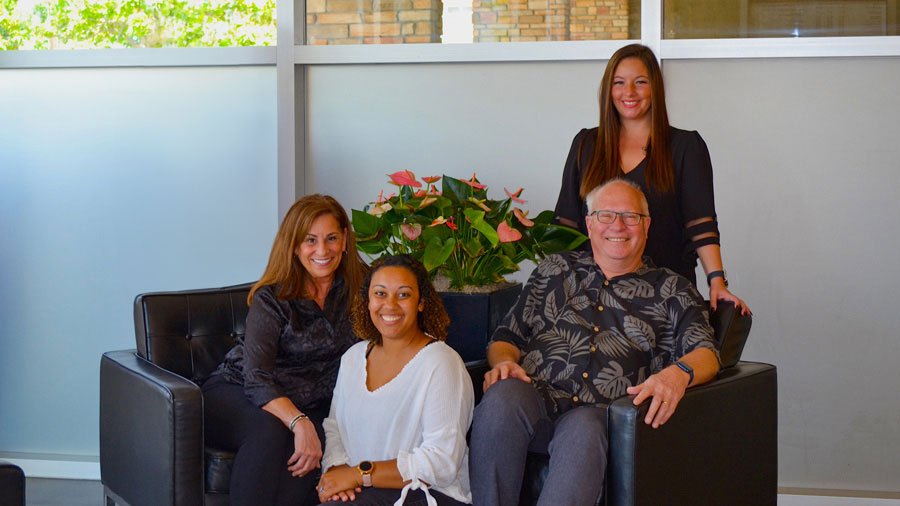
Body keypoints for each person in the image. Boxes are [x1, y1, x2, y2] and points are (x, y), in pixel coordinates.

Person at [469, 179, 721, 506]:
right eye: (605, 215)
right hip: (534, 401)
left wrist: (676, 375)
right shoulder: (554, 270)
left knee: (584, 429)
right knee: (502, 397)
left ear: (647, 226)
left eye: (630, 216)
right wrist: (504, 362)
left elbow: (707, 354)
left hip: (601, 419)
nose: (617, 225)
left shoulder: (672, 289)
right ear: (589, 224)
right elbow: (507, 337)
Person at [554, 43, 749, 314]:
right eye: (619, 82)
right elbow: (566, 224)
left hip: (667, 298)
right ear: (608, 90)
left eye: (640, 82)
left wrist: (716, 281)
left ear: (655, 88)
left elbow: (701, 224)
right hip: (595, 298)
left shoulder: (685, 146)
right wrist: (556, 287)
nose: (629, 92)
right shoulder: (586, 144)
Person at [201, 194, 368, 506]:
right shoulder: (272, 298)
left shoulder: (363, 288)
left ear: (345, 240)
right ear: (294, 245)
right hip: (238, 392)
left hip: (313, 404)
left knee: (306, 459)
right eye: (310, 240)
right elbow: (257, 378)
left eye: (331, 238)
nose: (322, 250)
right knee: (272, 431)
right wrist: (300, 422)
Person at [317, 255, 474, 506]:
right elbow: (335, 427)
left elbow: (442, 462)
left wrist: (360, 475)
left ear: (421, 302)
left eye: (403, 295)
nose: (389, 305)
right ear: (367, 301)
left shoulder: (442, 363)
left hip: (429, 495)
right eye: (380, 293)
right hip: (364, 494)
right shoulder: (352, 358)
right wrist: (338, 471)